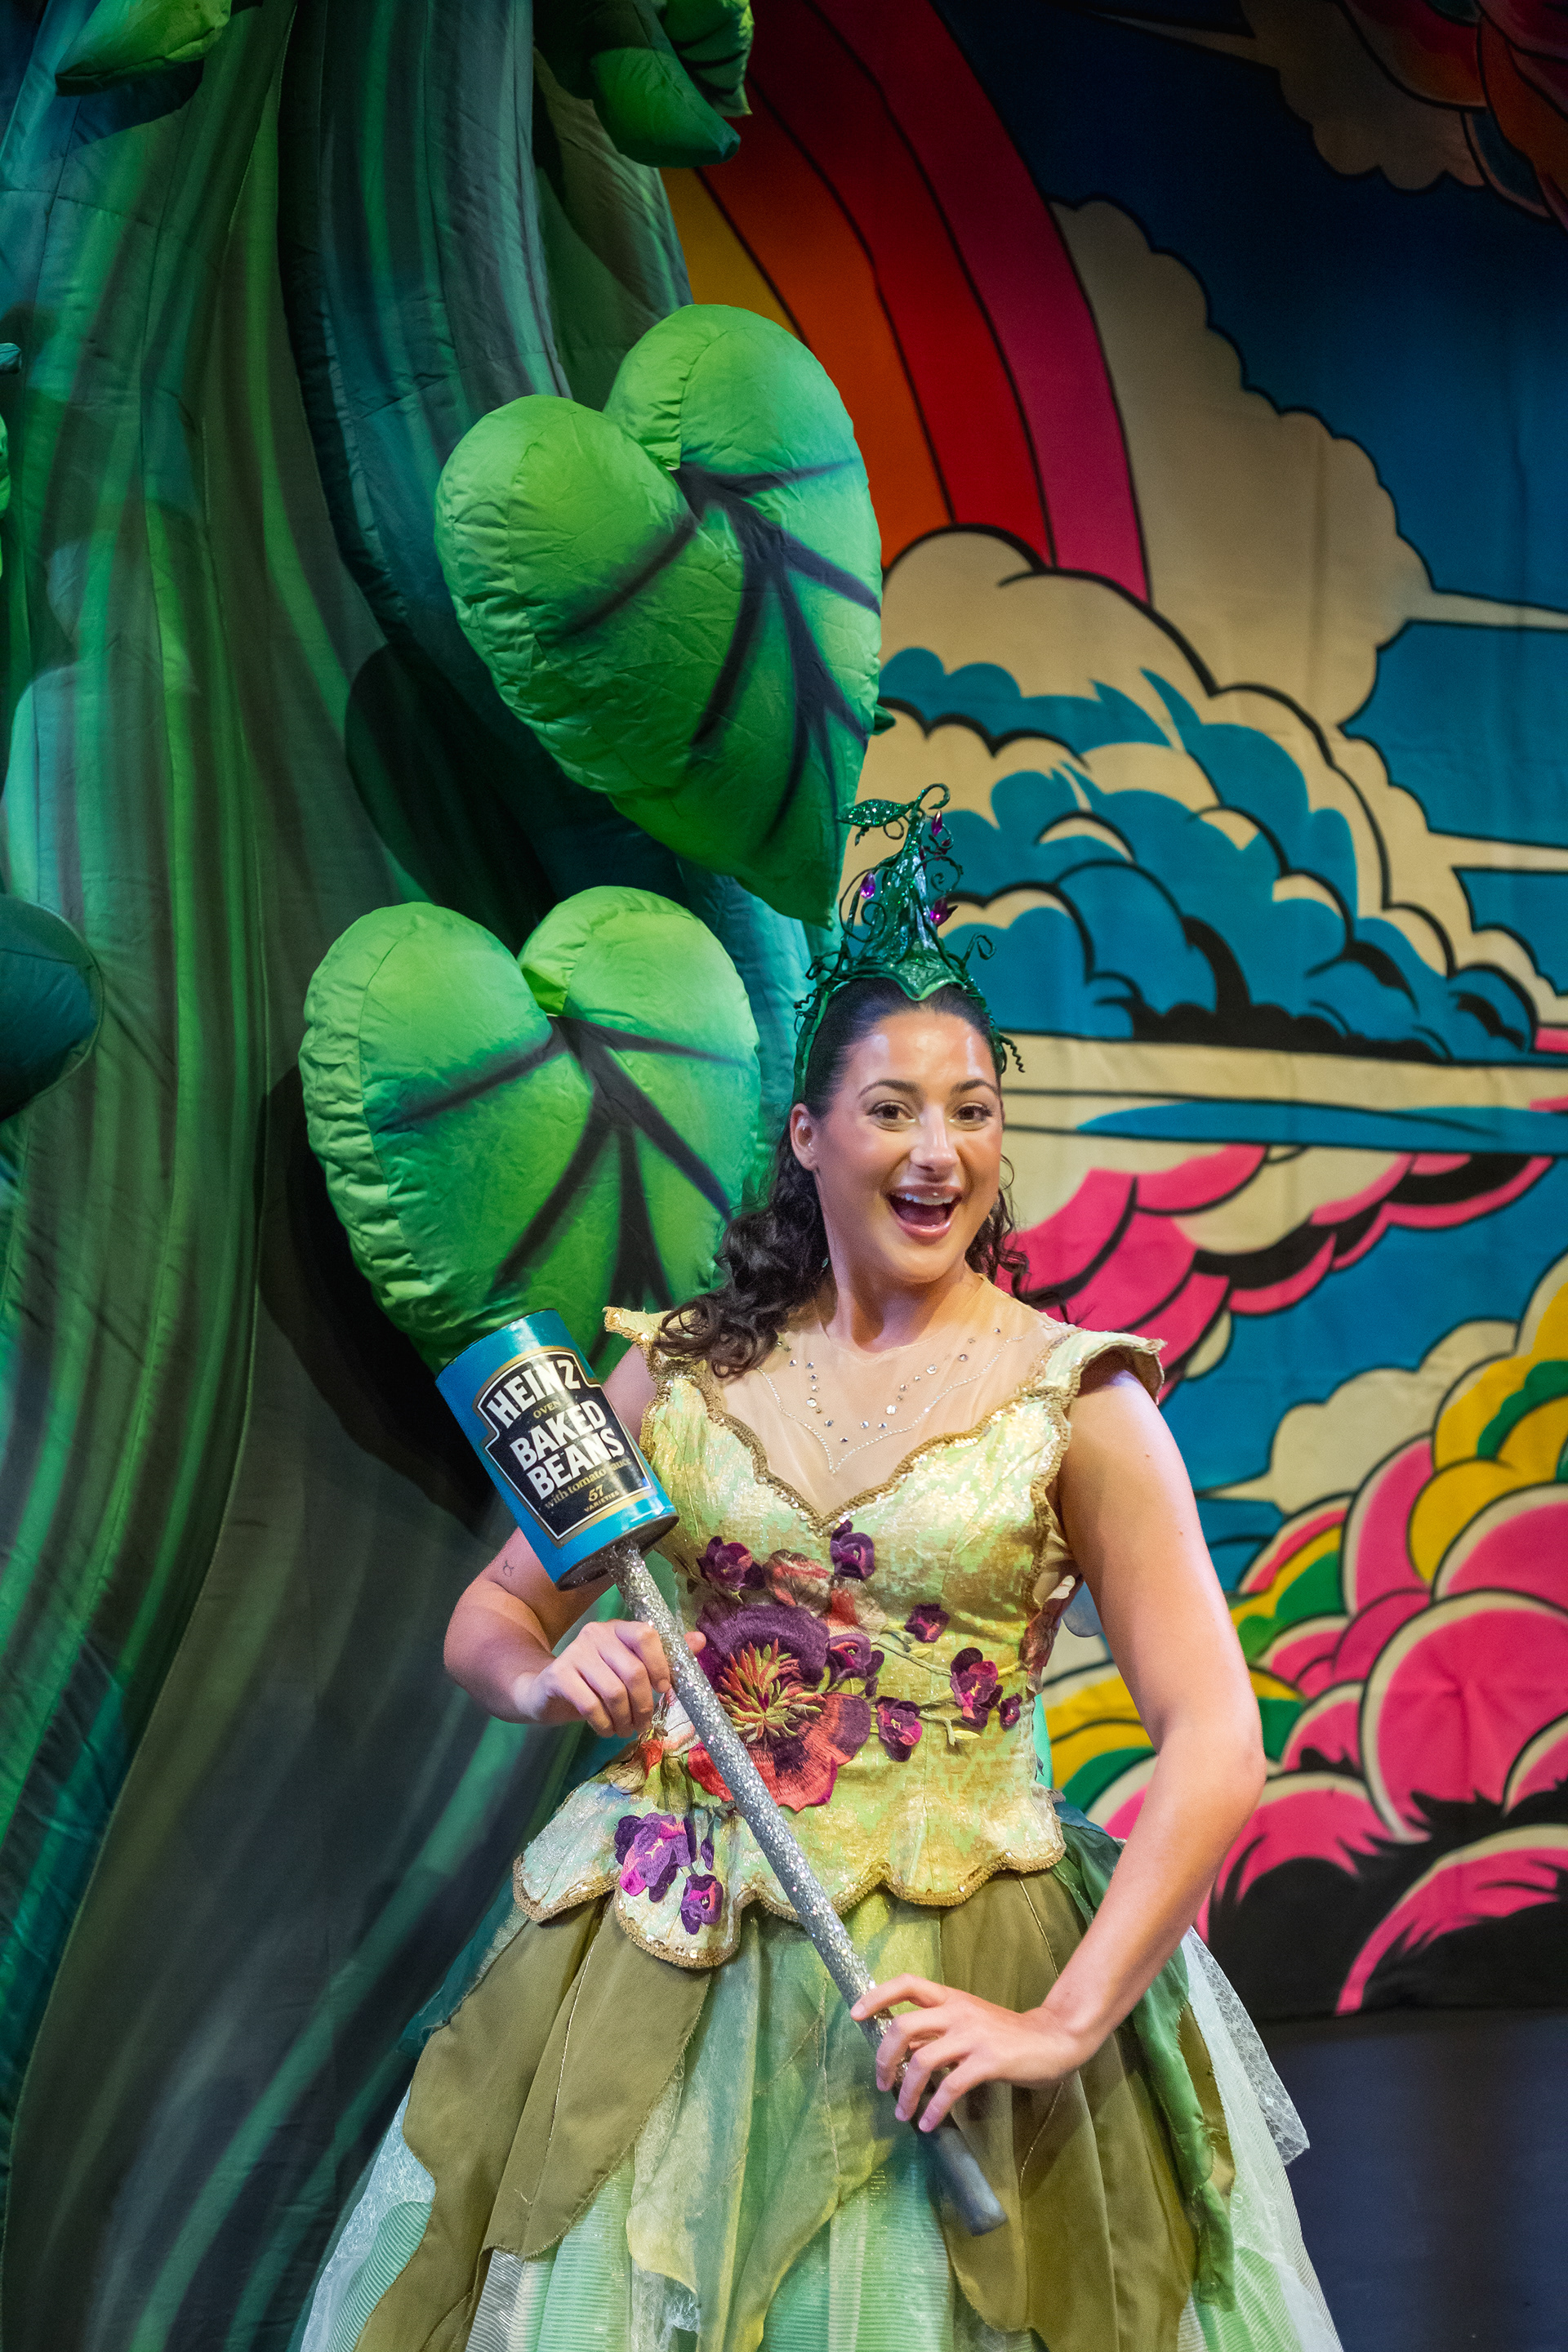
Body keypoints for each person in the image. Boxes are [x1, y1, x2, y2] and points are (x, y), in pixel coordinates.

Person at [301, 795, 1340, 2352]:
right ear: (808, 1136)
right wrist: (543, 1671)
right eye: (893, 1108)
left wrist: (1064, 2019)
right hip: (671, 1954)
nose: (938, 1151)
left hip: (964, 1956)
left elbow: (1217, 1737)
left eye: (973, 1110)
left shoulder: (1079, 1400)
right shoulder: (679, 1373)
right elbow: (499, 1610)